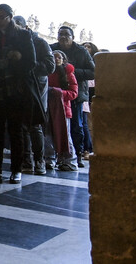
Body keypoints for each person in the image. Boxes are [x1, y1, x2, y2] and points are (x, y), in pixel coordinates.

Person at [0, 4, 44, 185]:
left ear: (10, 16)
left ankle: (16, 170)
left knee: (16, 131)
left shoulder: (23, 35)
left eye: (2, 17)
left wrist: (14, 60)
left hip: (15, 88)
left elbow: (31, 62)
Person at [13, 16, 55, 175]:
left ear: (25, 27)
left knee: (35, 124)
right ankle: (27, 159)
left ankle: (39, 160)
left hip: (37, 86)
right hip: (20, 85)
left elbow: (50, 66)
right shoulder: (13, 40)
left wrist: (28, 63)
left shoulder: (40, 43)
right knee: (21, 124)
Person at [50, 26, 94, 168]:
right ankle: (56, 156)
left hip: (75, 94)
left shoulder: (81, 51)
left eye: (66, 35)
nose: (63, 37)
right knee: (52, 127)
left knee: (76, 126)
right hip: (53, 96)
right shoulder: (52, 48)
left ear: (73, 37)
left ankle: (77, 155)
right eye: (60, 34)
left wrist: (71, 71)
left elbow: (92, 71)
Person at [47, 50, 79, 171]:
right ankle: (49, 158)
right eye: (53, 57)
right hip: (47, 107)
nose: (56, 60)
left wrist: (58, 92)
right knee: (47, 135)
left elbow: (74, 92)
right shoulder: (47, 72)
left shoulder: (68, 73)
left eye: (58, 57)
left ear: (63, 60)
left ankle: (68, 160)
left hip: (63, 108)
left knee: (65, 135)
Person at [81, 41, 99, 159]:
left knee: (90, 125)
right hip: (84, 98)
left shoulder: (95, 64)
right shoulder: (82, 62)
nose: (86, 48)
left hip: (92, 99)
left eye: (88, 46)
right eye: (84, 46)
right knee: (85, 124)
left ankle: (90, 148)